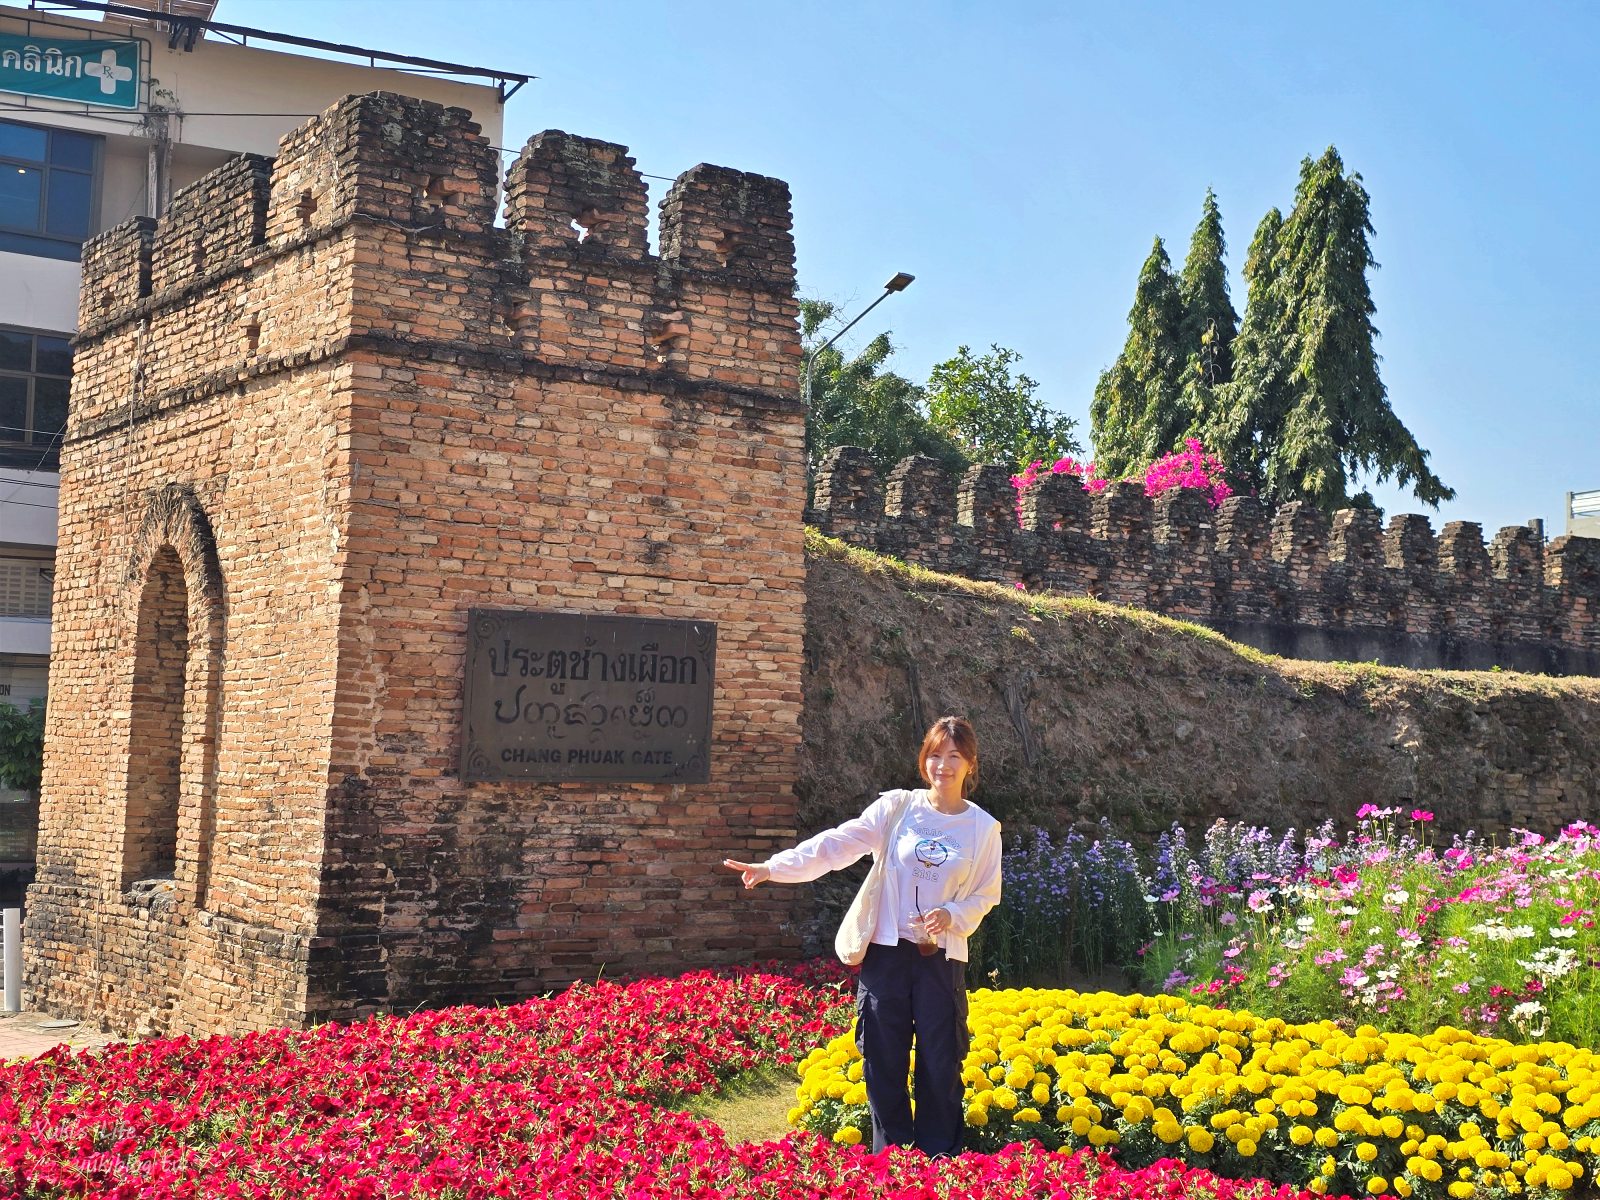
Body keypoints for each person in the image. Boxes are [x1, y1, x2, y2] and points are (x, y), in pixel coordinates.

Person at [723, 716, 1002, 1157]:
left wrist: (951, 914)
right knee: (883, 1059)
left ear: (970, 764)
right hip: (885, 954)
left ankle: (939, 1158)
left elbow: (986, 893)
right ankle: (893, 1158)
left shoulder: (982, 828)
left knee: (940, 1059)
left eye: (953, 757)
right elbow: (837, 844)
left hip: (940, 957)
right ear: (923, 759)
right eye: (934, 754)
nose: (942, 766)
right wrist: (773, 868)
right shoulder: (897, 809)